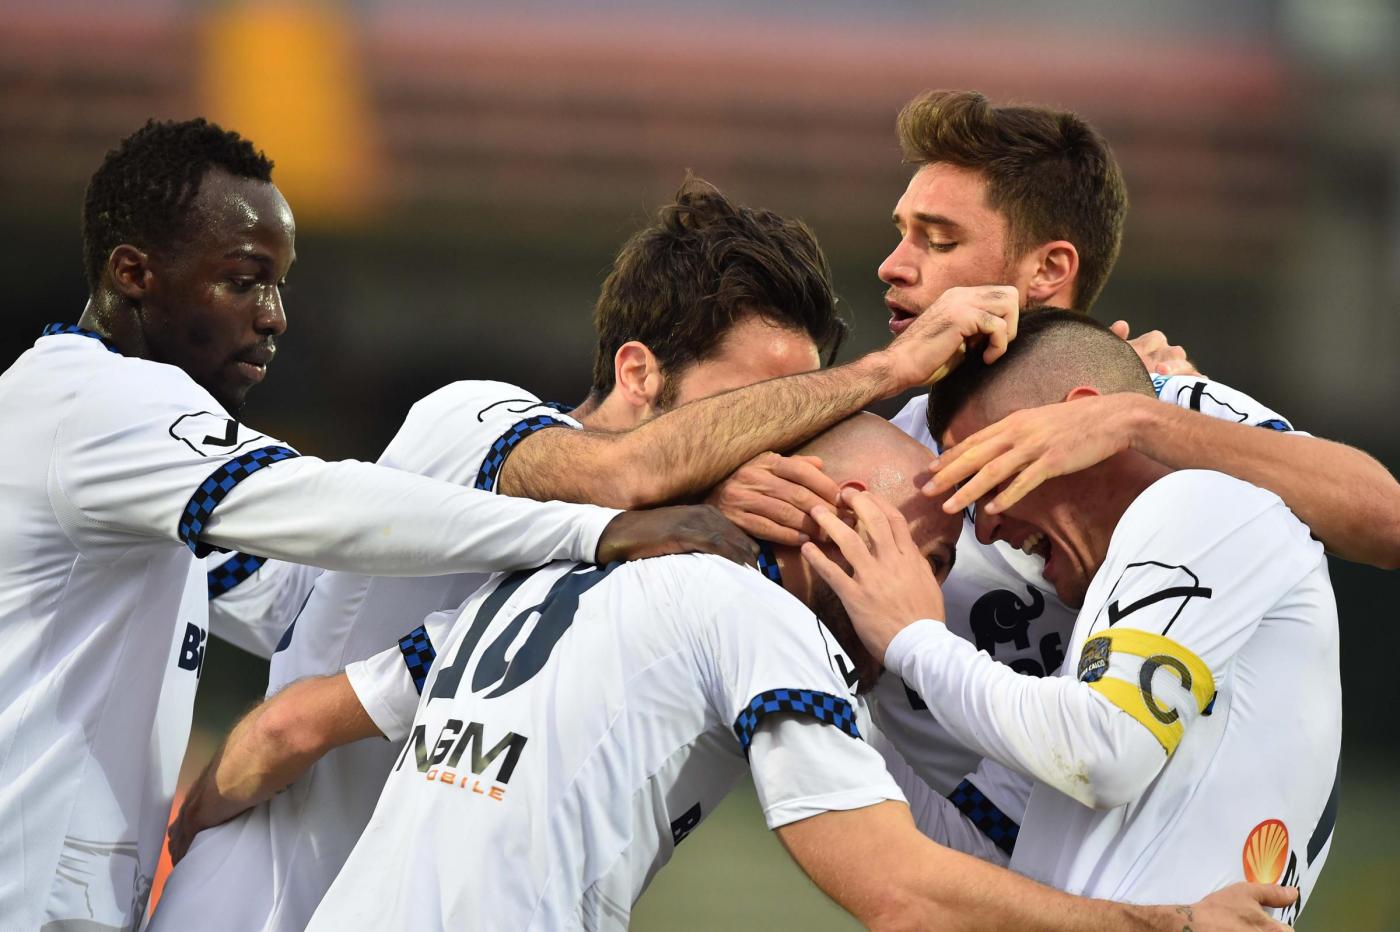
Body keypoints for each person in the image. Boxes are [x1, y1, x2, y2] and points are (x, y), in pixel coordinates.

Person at [151, 179, 1019, 931]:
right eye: (755, 407)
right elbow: (619, 476)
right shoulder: (471, 422)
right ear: (638, 374)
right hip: (264, 906)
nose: (774, 443)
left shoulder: (665, 575)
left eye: (796, 416)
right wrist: (886, 371)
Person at [0, 119, 751, 932]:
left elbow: (296, 597)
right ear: (134, 274)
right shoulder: (97, 402)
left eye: (279, 286)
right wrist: (591, 533)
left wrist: (432, 650)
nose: (274, 317)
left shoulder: (115, 463)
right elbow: (325, 509)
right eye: (245, 281)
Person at [169, 415, 1294, 932]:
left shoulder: (555, 578)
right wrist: (1163, 924)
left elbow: (282, 732)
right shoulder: (754, 614)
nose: (930, 584)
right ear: (828, 516)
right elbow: (895, 891)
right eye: (924, 551)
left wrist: (183, 837)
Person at [713, 88, 1399, 799]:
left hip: (1147, 829)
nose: (893, 265)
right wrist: (717, 494)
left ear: (1048, 270)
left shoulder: (1161, 402)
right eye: (902, 233)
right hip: (957, 849)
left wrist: (1140, 422)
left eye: (938, 240)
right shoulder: (893, 450)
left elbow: (1387, 520)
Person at [805, 312, 1339, 924]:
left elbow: (1103, 756)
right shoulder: (1110, 630)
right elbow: (977, 846)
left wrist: (912, 637)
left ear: (1080, 419)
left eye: (985, 470)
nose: (986, 526)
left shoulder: (1207, 504)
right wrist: (816, 652)